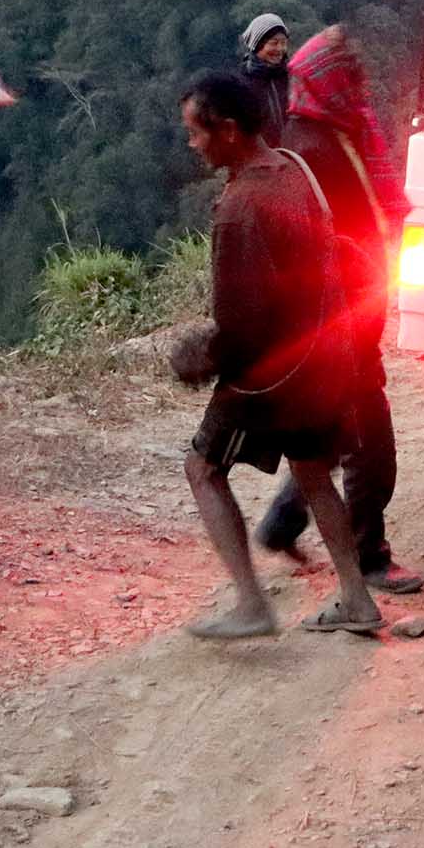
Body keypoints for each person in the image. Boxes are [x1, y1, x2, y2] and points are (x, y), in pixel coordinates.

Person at [171, 73, 382, 639]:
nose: (193, 144)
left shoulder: (240, 207)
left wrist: (203, 360)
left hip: (274, 374)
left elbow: (243, 324)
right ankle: (357, 599)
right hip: (321, 357)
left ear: (230, 131)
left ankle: (251, 604)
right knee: (314, 476)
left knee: (203, 469)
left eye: (197, 132)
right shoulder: (294, 166)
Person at [251, 28, 424, 594]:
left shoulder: (333, 131)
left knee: (334, 431)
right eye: (348, 75)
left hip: (346, 316)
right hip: (339, 321)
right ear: (327, 83)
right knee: (371, 444)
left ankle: (282, 525)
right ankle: (369, 555)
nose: (360, 85)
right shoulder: (315, 148)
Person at [237, 13, 292, 143]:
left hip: (296, 156)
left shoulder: (292, 77)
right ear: (257, 45)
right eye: (274, 43)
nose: (280, 49)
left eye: (283, 43)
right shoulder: (241, 84)